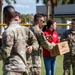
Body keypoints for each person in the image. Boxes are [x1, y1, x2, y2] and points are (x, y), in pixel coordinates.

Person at [0, 5, 39, 75]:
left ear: (5, 15)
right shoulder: (23, 29)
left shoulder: (8, 31)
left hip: (12, 69)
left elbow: (5, 53)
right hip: (23, 68)